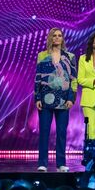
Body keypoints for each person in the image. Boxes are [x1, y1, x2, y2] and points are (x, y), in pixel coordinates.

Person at [34, 27, 77, 172]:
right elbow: (38, 77)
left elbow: (73, 79)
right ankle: (42, 163)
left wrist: (71, 98)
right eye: (54, 36)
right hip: (46, 99)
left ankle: (61, 164)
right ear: (50, 38)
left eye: (60, 36)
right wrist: (37, 97)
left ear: (63, 38)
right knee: (44, 132)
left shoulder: (70, 56)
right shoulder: (42, 55)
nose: (57, 38)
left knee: (61, 133)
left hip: (63, 100)